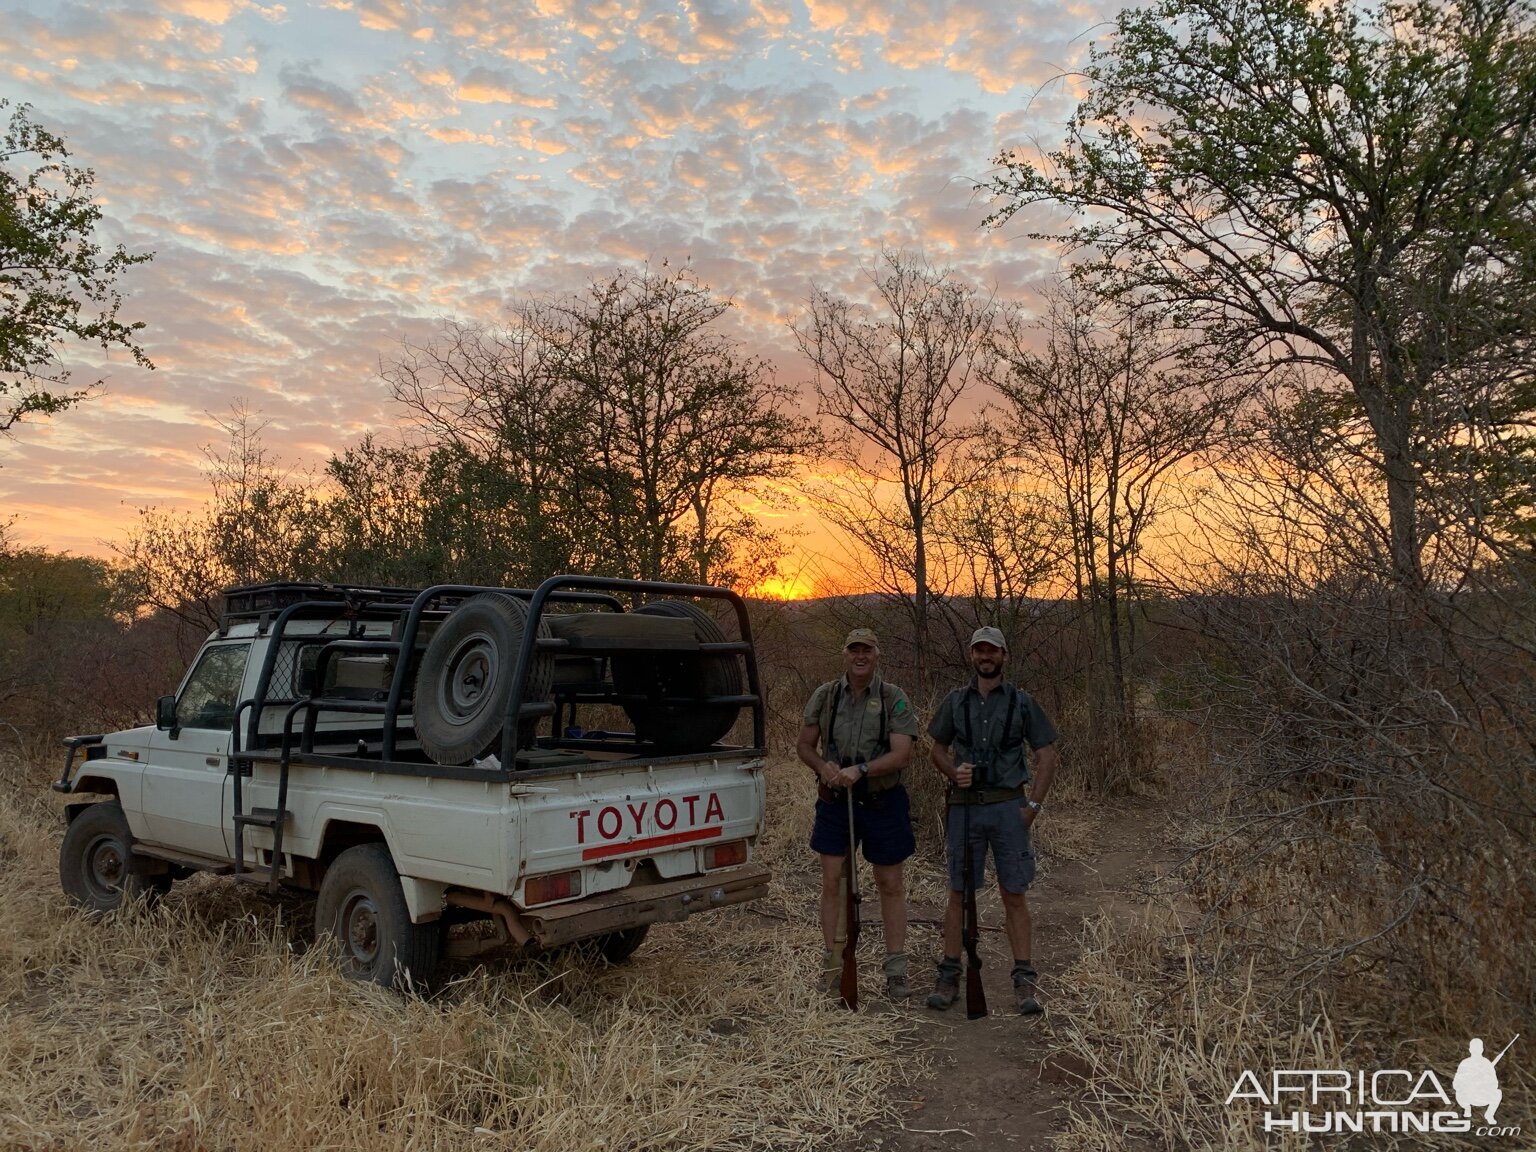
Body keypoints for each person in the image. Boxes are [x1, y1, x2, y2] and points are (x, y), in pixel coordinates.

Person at [927, 626, 1060, 1015]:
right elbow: (936, 749)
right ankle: (950, 974)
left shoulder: (1022, 703)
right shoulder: (955, 701)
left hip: (1008, 809)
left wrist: (1032, 806)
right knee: (958, 893)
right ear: (971, 656)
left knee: (1014, 894)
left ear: (1004, 656)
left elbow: (1047, 755)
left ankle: (1024, 980)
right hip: (965, 809)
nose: (985, 657)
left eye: (992, 651)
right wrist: (954, 773)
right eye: (979, 651)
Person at [796, 628, 919, 1000]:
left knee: (890, 884)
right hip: (836, 802)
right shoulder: (826, 696)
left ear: (877, 655)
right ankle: (834, 963)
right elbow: (805, 745)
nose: (860, 656)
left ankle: (896, 969)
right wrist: (823, 768)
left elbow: (902, 754)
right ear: (845, 655)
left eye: (867, 649)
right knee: (832, 880)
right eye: (854, 650)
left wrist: (862, 770)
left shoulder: (894, 698)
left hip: (882, 802)